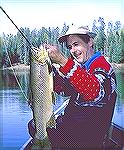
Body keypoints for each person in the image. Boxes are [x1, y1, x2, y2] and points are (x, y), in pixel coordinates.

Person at [30, 25, 117, 149]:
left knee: (36, 128)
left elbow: (95, 93)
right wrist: (48, 73)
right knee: (34, 125)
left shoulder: (101, 66)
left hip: (85, 137)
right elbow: (64, 89)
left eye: (76, 44)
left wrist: (62, 60)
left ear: (90, 42)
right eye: (70, 47)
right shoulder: (82, 67)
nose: (72, 50)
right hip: (74, 127)